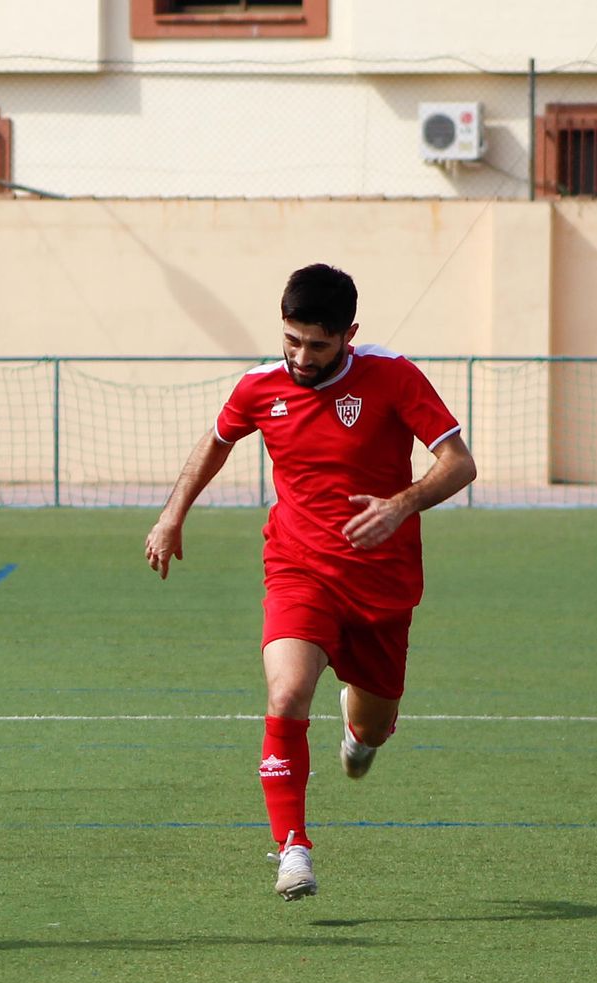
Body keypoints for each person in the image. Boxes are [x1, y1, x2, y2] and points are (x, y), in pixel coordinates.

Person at [144, 263, 476, 902]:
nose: (300, 357)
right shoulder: (259, 386)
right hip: (298, 569)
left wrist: (401, 505)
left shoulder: (393, 376)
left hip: (383, 583)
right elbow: (217, 441)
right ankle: (293, 848)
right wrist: (172, 513)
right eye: (291, 340)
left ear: (349, 334)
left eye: (317, 346)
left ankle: (358, 734)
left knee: (374, 726)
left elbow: (458, 463)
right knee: (288, 691)